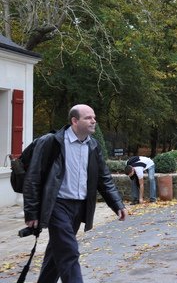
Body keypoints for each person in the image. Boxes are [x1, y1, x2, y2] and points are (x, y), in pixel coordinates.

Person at [22, 104, 127, 283]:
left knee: (57, 253)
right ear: (74, 121)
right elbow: (33, 178)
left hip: (79, 207)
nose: (94, 121)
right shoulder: (52, 142)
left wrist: (117, 204)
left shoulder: (93, 145)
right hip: (57, 205)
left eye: (94, 117)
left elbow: (104, 178)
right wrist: (31, 212)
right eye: (88, 118)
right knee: (69, 251)